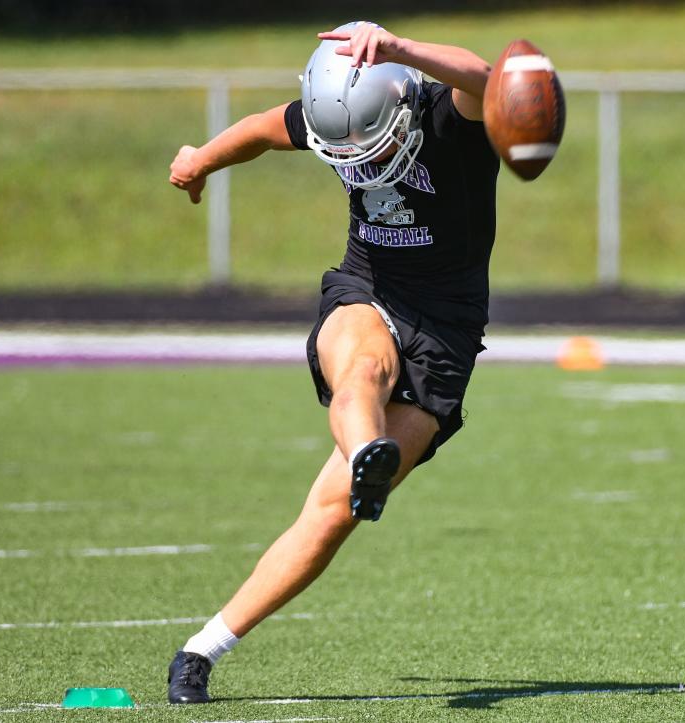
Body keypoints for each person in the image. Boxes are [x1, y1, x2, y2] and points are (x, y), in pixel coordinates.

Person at [165, 21, 499, 704]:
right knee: (362, 371)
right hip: (368, 289)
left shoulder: (447, 117)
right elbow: (262, 127)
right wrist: (201, 158)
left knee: (329, 514)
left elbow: (486, 80)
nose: (363, 165)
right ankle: (365, 449)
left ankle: (202, 645)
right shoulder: (336, 110)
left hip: (446, 334)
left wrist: (402, 47)